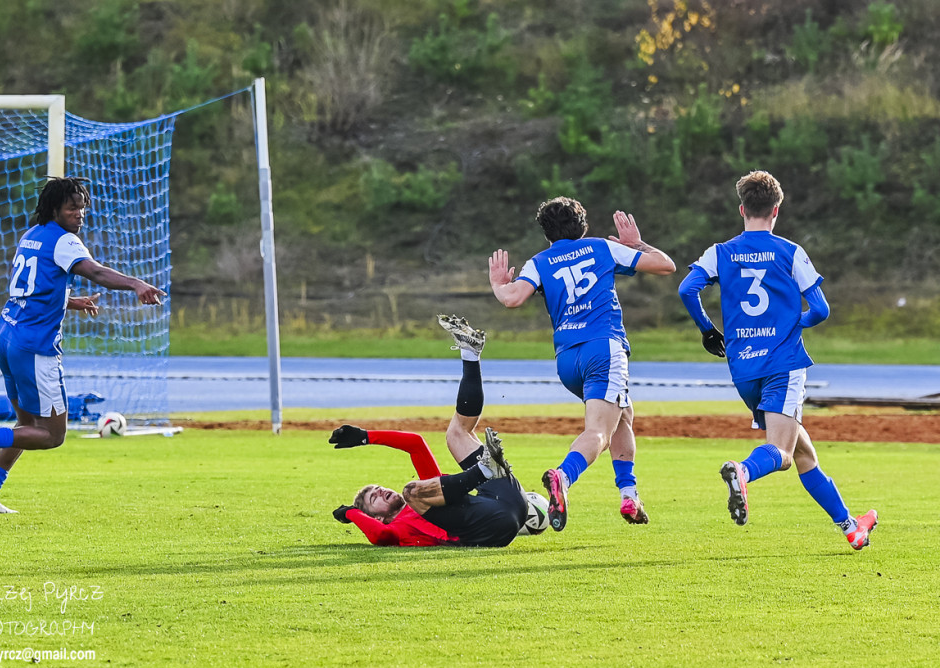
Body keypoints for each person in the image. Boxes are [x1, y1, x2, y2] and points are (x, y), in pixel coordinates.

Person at [678, 169, 878, 550]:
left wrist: (708, 330)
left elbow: (688, 288)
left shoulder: (719, 252)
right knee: (783, 454)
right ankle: (743, 471)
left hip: (743, 368)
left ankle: (851, 527)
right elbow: (820, 310)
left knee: (804, 454)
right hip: (783, 364)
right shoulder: (790, 251)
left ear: (742, 209)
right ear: (776, 211)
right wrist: (792, 322)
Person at [0, 176, 165, 513]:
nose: (80, 214)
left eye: (83, 207)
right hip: (35, 349)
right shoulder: (65, 242)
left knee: (26, 426)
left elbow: (31, 288)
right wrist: (136, 283)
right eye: (72, 207)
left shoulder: (30, 236)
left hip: (8, 339)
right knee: (51, 435)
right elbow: (98, 273)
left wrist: (71, 302)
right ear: (54, 209)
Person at [489, 198, 676, 531]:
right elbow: (665, 266)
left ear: (546, 233)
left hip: (567, 360)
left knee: (623, 415)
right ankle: (563, 476)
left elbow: (512, 299)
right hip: (604, 348)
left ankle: (629, 495)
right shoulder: (602, 248)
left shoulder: (539, 261)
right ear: (583, 225)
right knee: (599, 432)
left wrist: (498, 284)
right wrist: (637, 244)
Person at [330, 315, 529, 547]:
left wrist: (365, 437)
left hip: (510, 502)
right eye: (374, 497)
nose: (381, 490)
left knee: (456, 434)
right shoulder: (396, 527)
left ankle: (470, 353)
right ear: (377, 517)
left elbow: (415, 443)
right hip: (489, 528)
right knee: (411, 491)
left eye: (379, 488)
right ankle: (484, 470)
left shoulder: (430, 493)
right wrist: (351, 514)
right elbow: (380, 537)